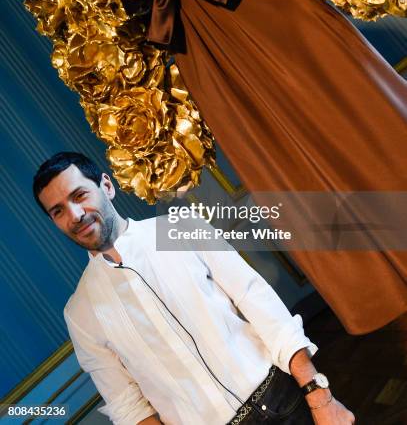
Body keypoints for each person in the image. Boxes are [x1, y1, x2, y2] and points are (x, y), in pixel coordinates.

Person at [6, 0, 407, 336]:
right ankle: (385, 294)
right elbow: (93, 38)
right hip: (200, 60)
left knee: (370, 127)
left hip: (259, 3)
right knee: (296, 186)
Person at [33, 151, 354, 425]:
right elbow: (127, 405)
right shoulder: (80, 313)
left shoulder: (179, 228)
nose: (75, 215)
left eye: (79, 196)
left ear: (106, 186)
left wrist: (320, 396)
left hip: (284, 398)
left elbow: (259, 303)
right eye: (58, 211)